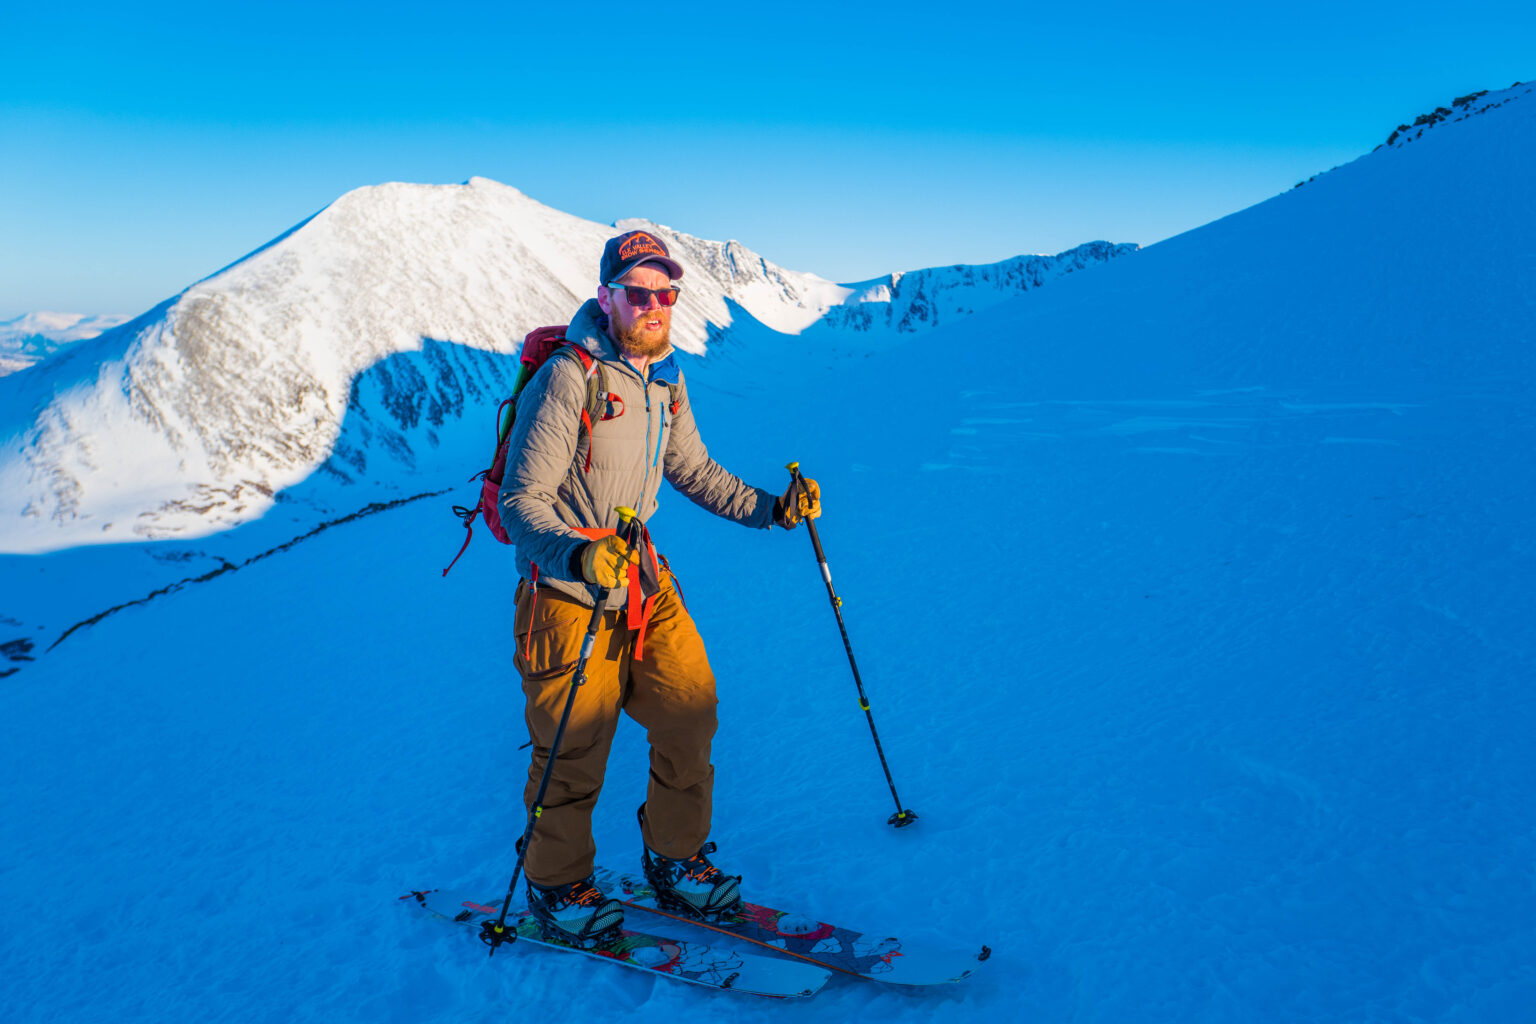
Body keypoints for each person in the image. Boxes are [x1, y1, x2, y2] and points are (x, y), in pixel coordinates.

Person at [498, 229, 821, 947]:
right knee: (572, 751)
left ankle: (674, 860)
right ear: (608, 296)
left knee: (689, 714)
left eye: (665, 292)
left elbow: (695, 471)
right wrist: (577, 559)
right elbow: (520, 503)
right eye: (638, 292)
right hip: (568, 596)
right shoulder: (567, 376)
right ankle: (556, 886)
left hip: (644, 586)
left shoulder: (666, 379)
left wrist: (773, 509)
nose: (653, 305)